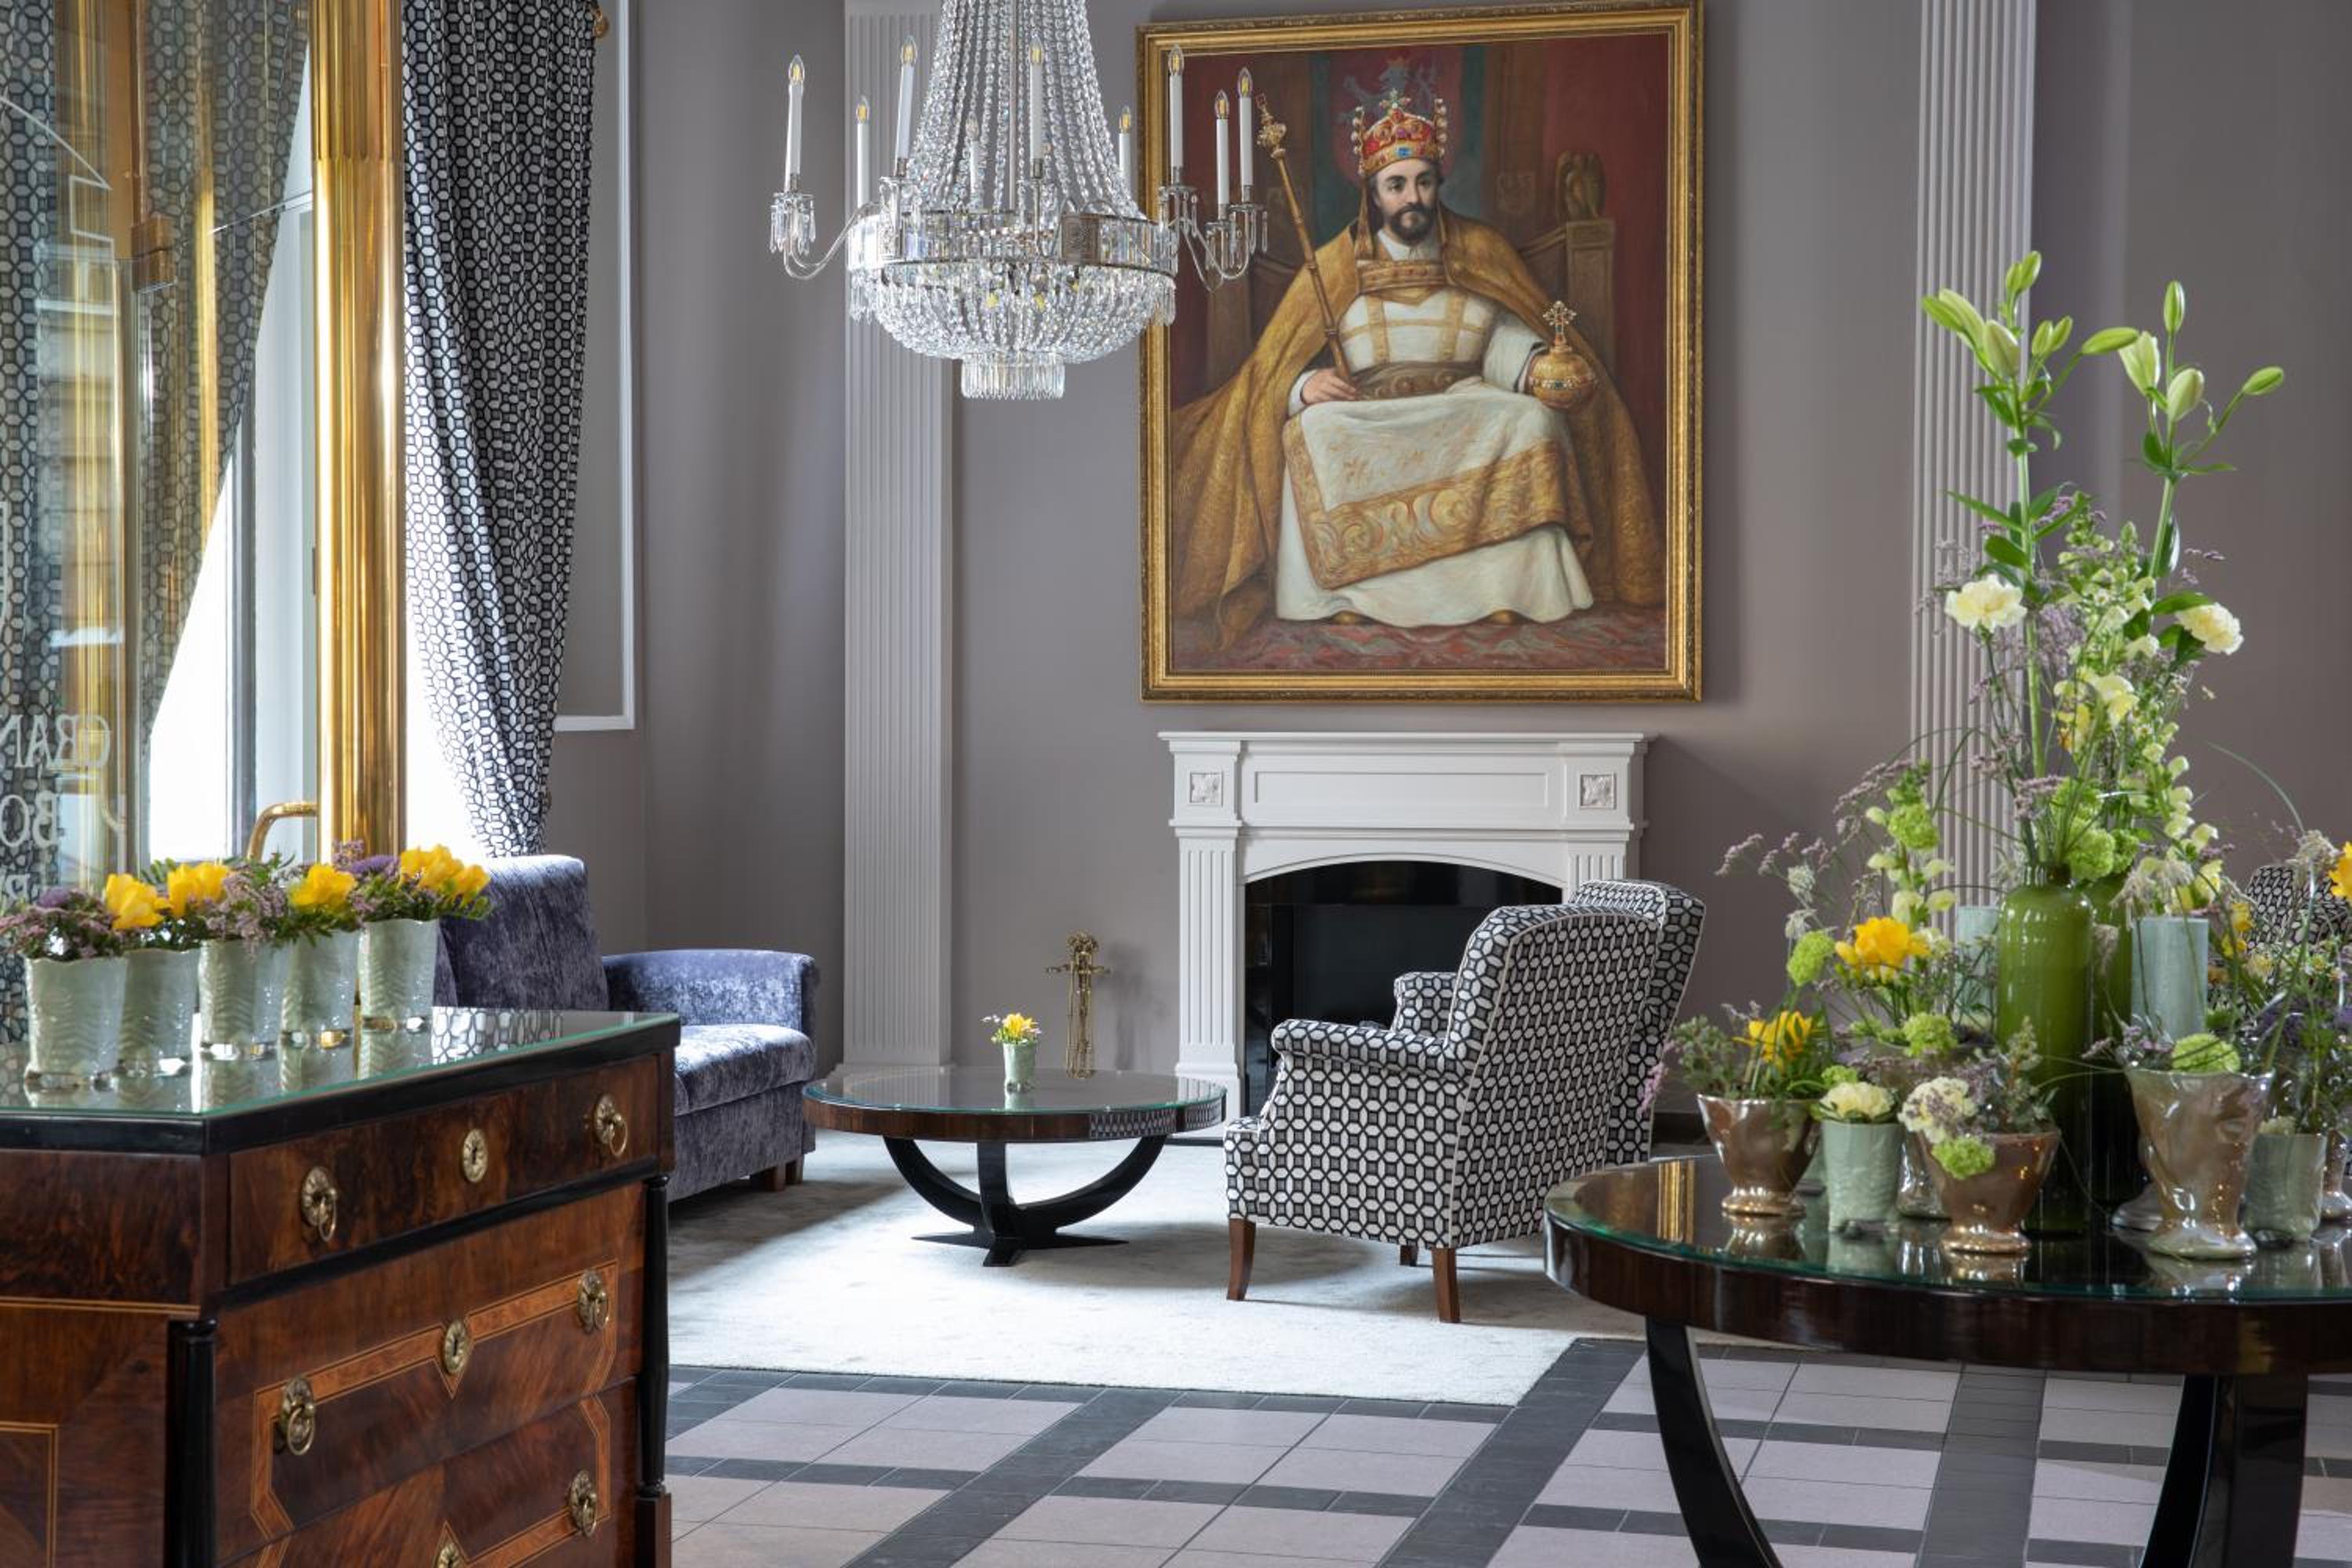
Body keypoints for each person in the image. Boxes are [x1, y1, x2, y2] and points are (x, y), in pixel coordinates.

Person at [1171, 93, 1661, 644]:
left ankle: (1507, 589)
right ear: (1374, 193)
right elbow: (1274, 367)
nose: (1412, 198)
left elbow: (1500, 333)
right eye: (1397, 185)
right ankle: (1347, 596)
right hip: (1371, 413)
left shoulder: (1480, 249)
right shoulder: (1333, 263)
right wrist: (1305, 386)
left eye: (1423, 182)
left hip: (1463, 401)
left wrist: (1533, 368)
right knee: (1314, 431)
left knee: (1533, 421)